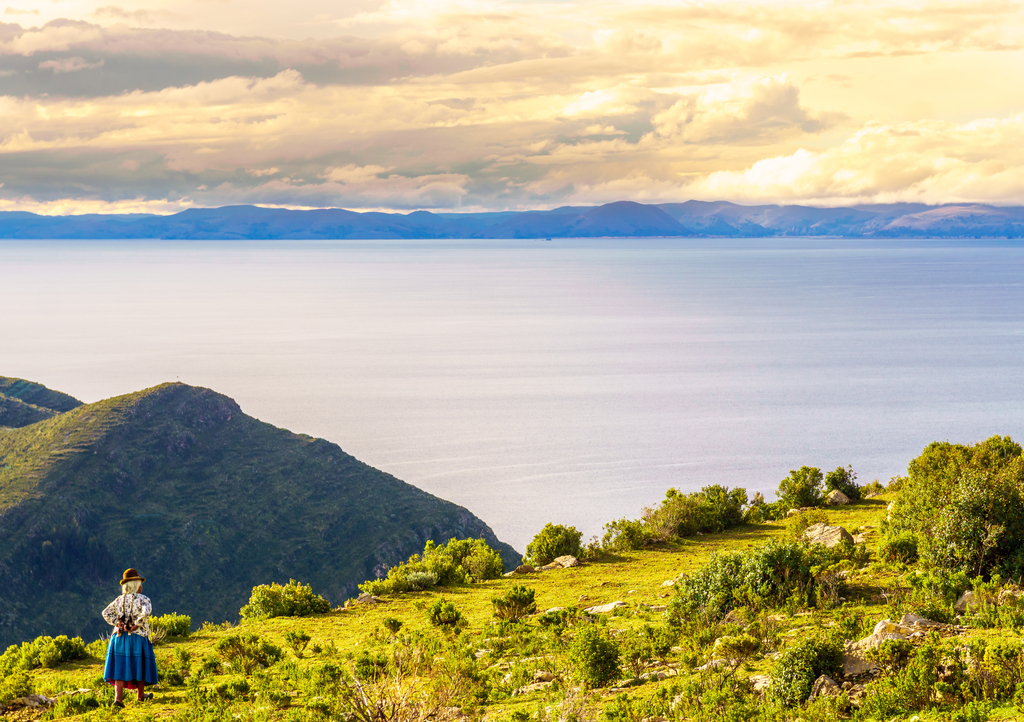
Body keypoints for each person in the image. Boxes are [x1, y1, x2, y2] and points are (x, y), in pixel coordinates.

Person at [102, 568, 159, 707]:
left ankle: (118, 699)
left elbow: (105, 613)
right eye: (139, 583)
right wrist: (135, 625)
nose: (141, 586)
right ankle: (140, 696)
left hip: (119, 637)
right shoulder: (144, 599)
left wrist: (119, 624)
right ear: (135, 585)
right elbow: (146, 612)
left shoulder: (119, 600)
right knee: (140, 665)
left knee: (120, 667)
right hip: (138, 637)